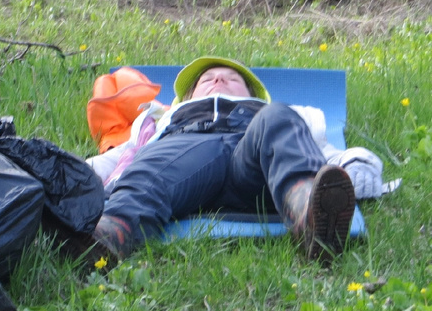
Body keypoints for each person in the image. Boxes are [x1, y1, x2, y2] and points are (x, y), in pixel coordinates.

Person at [82, 56, 358, 266]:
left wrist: (358, 168)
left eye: (231, 78)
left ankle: (307, 212)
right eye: (208, 78)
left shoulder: (276, 113)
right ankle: (111, 234)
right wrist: (79, 176)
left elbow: (320, 152)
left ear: (251, 94)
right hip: (185, 155)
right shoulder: (159, 120)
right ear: (188, 97)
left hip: (251, 163)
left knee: (278, 118)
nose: (219, 80)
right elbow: (120, 158)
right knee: (151, 169)